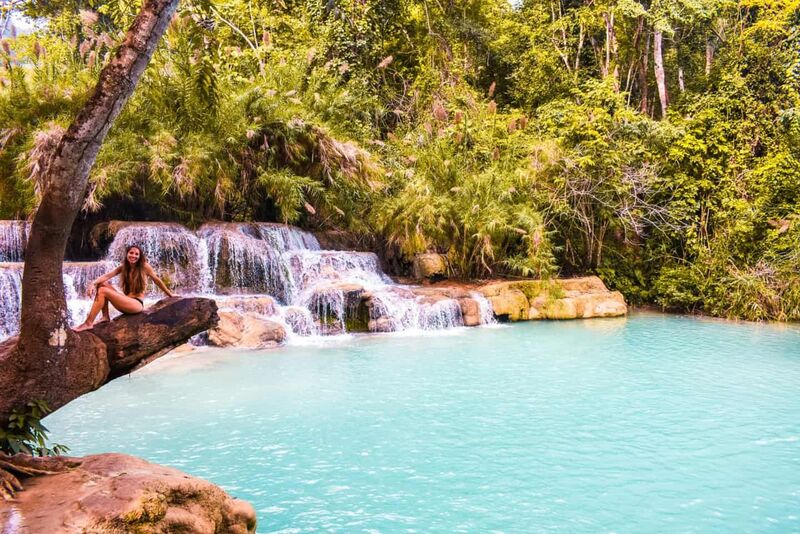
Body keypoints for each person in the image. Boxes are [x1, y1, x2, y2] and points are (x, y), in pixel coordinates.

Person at [73, 245, 176, 331]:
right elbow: (107, 276)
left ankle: (88, 323)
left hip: (136, 304)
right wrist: (93, 283)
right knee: (102, 284)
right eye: (131, 253)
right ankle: (105, 317)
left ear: (140, 257)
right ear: (127, 254)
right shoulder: (123, 267)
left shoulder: (144, 267)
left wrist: (170, 294)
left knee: (103, 291)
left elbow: (157, 280)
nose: (133, 256)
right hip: (126, 301)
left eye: (136, 254)